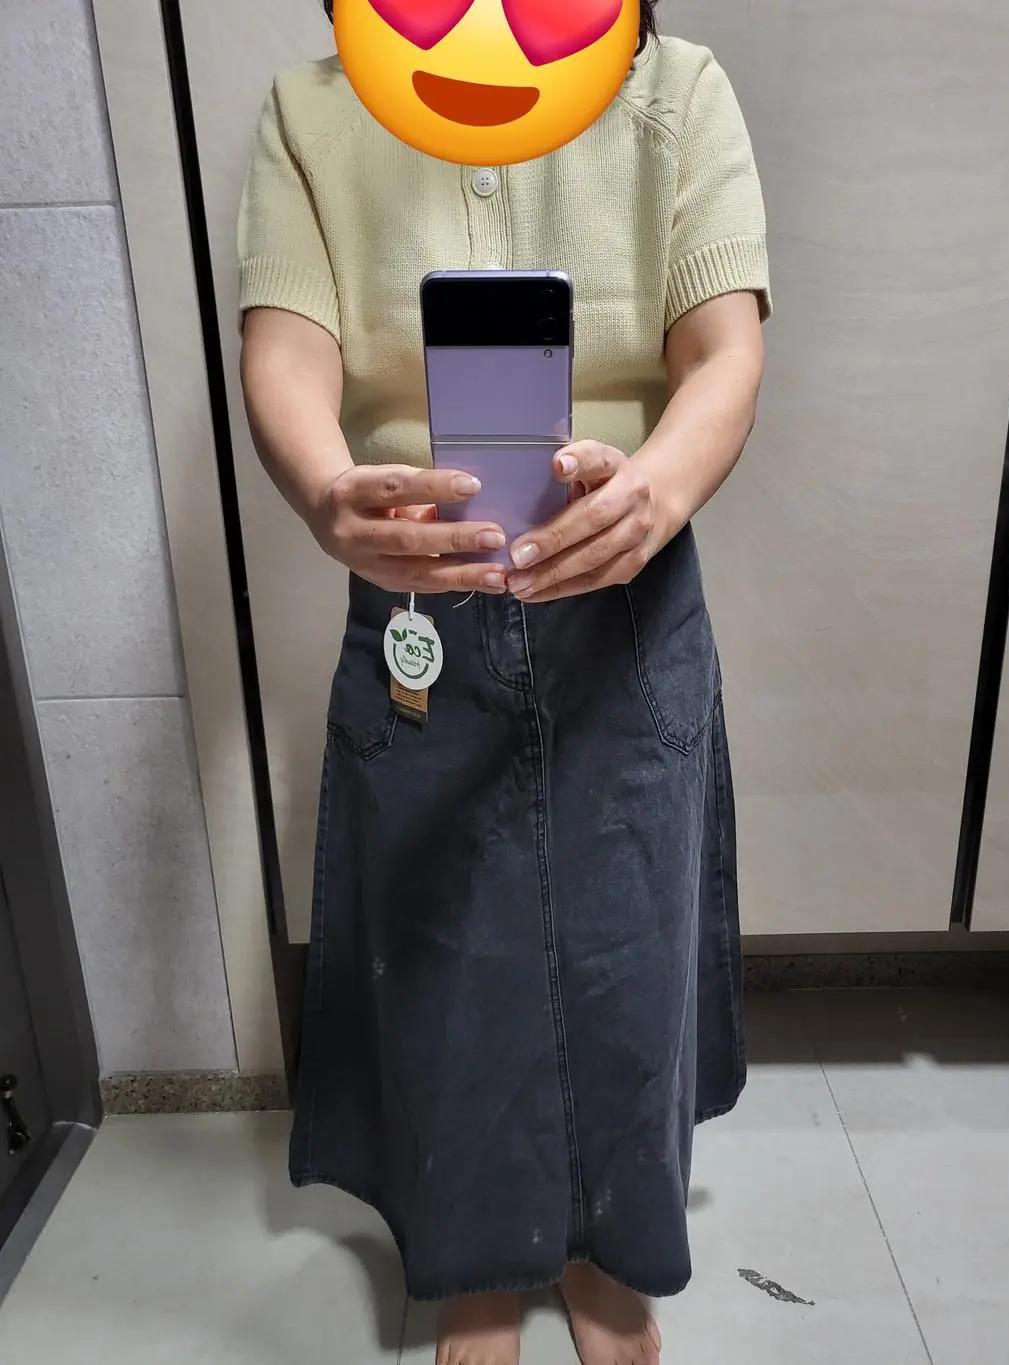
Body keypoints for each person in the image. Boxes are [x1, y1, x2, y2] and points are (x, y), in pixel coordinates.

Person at [237, 3, 770, 1361]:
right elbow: (285, 347)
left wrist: (655, 492)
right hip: (426, 597)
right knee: (445, 954)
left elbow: (725, 348)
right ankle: (478, 1262)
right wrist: (328, 490)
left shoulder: (676, 92)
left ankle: (608, 1257)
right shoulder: (313, 111)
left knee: (631, 953)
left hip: (626, 594)